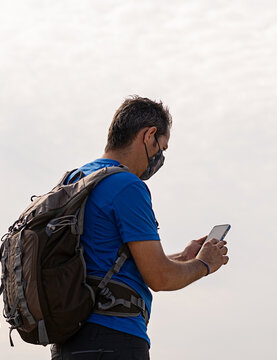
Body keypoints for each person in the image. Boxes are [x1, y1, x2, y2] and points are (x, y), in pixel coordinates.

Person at [51, 96, 229, 360]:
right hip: (114, 340)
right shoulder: (126, 186)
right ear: (149, 136)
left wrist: (182, 257)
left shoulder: (74, 180)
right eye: (162, 148)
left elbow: (109, 261)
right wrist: (204, 264)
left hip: (68, 342)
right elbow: (159, 277)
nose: (159, 158)